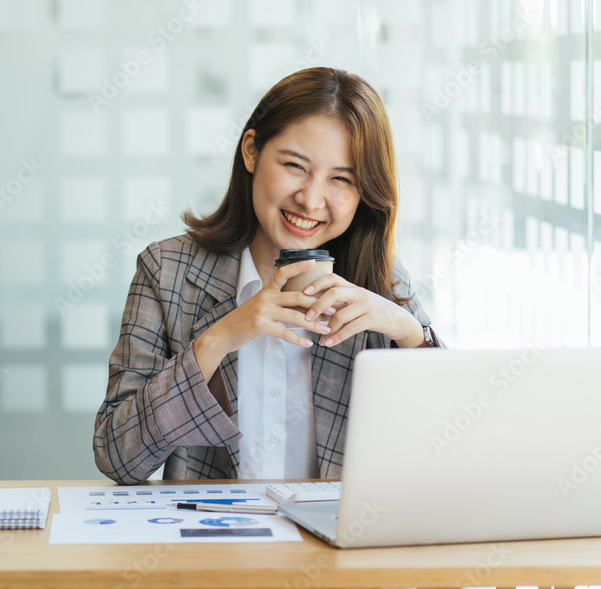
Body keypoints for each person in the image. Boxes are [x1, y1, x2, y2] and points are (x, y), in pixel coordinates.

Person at [93, 67, 442, 486]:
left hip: (336, 547)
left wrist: (408, 333)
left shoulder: (380, 281)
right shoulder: (167, 270)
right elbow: (117, 457)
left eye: (341, 179)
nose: (312, 200)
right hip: (212, 545)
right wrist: (217, 340)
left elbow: (449, 453)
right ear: (252, 151)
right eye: (295, 166)